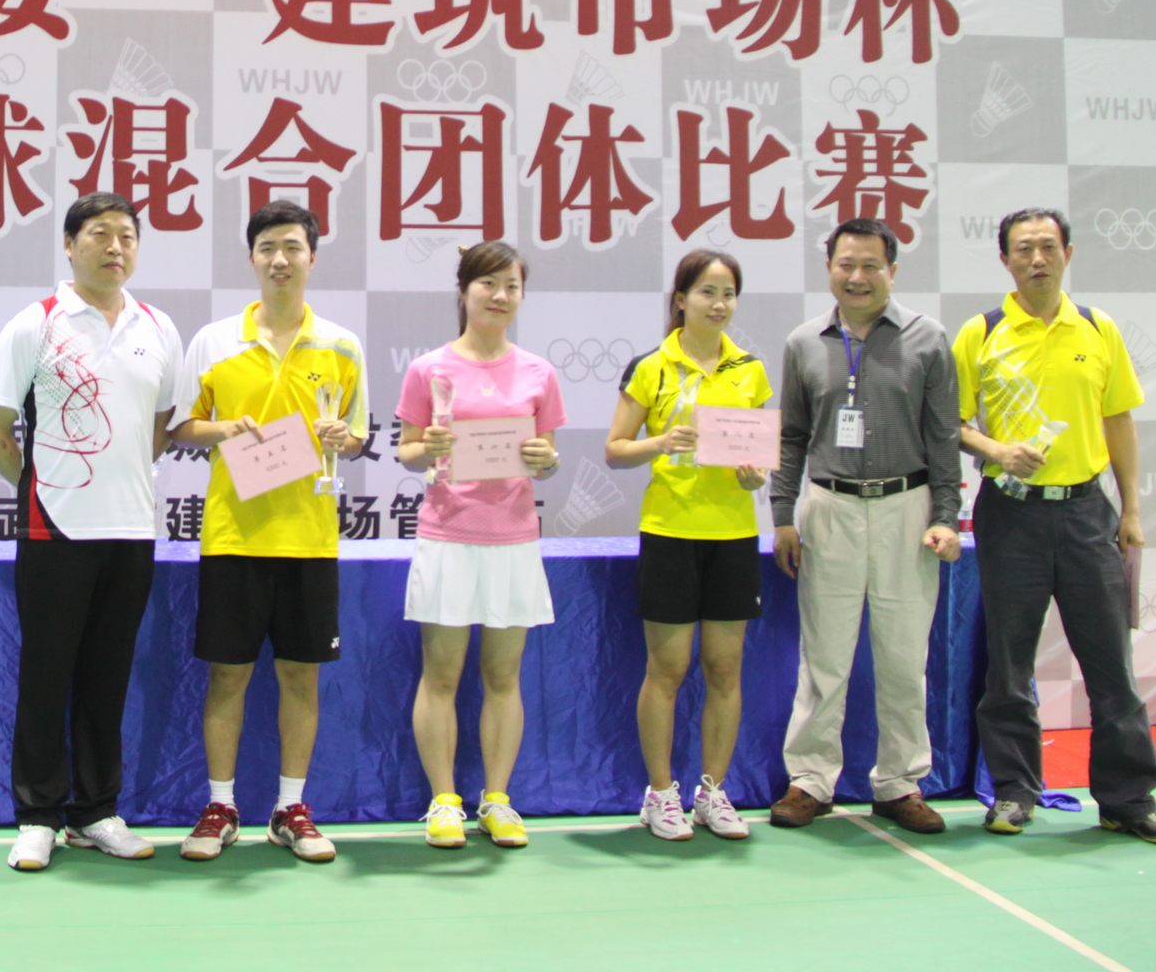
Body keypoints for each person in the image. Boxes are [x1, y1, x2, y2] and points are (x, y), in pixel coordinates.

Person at [953, 208, 1156, 845]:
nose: (1037, 259)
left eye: (1048, 247)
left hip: (1088, 513)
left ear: (1068, 254)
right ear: (1004, 260)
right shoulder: (981, 333)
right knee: (1009, 665)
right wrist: (996, 451)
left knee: (1112, 666)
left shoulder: (1098, 327)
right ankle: (1013, 791)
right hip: (1010, 514)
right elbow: (950, 421)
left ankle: (1127, 800)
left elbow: (1119, 421)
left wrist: (1131, 510)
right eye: (1024, 249)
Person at [0, 193, 184, 872]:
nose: (115, 246)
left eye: (127, 235)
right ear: (70, 246)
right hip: (54, 532)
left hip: (132, 532)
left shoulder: (159, 328)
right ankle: (37, 816)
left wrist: (114, 482)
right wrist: (46, 491)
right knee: (46, 675)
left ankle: (96, 812)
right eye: (99, 234)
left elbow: (158, 428)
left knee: (107, 677)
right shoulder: (34, 324)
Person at [169, 200, 367, 863]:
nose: (280, 260)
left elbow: (357, 433)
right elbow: (181, 426)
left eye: (292, 248)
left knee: (300, 678)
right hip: (234, 535)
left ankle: (290, 808)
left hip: (309, 537)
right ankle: (221, 805)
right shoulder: (214, 340)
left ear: (312, 257)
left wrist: (343, 437)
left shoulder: (342, 345)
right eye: (267, 249)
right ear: (251, 258)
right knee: (227, 678)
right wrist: (224, 429)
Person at [767, 218, 962, 834]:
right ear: (829, 269)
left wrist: (947, 516)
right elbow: (791, 437)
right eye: (845, 264)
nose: (857, 277)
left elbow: (944, 437)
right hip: (829, 507)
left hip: (908, 507)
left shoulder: (928, 339)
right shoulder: (803, 343)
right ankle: (810, 780)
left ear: (892, 271)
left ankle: (899, 782)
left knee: (903, 657)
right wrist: (782, 515)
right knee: (824, 657)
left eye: (870, 265)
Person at [394, 241, 566, 849]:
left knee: (503, 675)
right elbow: (407, 450)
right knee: (441, 675)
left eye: (512, 286)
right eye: (488, 284)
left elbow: (546, 458)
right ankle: (444, 801)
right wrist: (429, 448)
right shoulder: (429, 369)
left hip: (513, 538)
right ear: (464, 291)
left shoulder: (538, 373)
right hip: (448, 535)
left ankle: (497, 799)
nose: (500, 296)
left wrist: (546, 459)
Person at [606, 249, 772, 842]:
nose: (718, 304)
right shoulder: (651, 367)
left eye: (728, 293)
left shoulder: (750, 369)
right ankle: (660, 793)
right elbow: (615, 450)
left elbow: (757, 458)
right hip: (670, 532)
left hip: (734, 534)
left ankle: (713, 792)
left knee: (725, 669)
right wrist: (659, 443)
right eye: (706, 292)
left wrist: (754, 477)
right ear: (681, 300)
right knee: (668, 668)